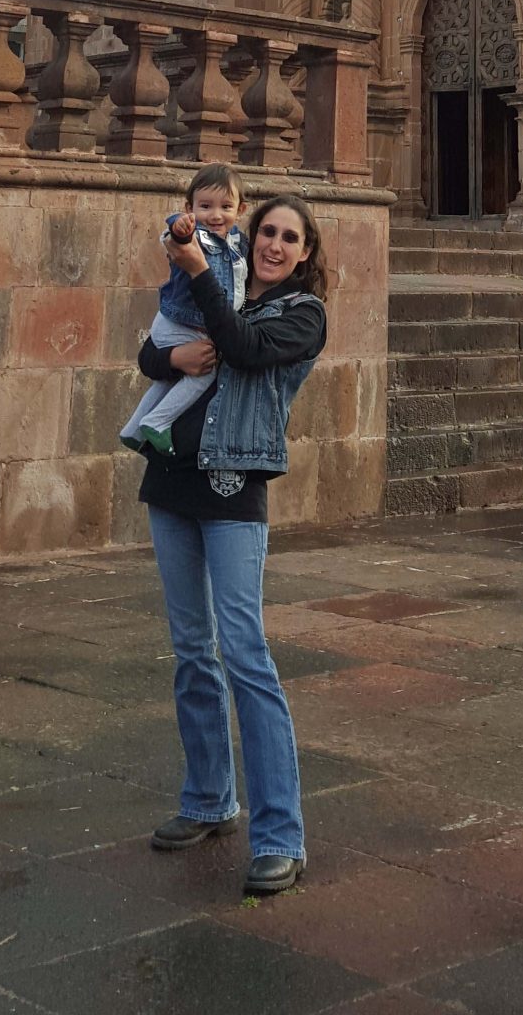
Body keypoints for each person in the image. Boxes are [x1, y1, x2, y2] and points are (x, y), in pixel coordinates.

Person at [138, 193, 328, 898]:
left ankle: (281, 835)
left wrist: (198, 274)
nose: (275, 244)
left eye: (289, 237)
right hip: (170, 483)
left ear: (306, 252)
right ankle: (209, 798)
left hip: (230, 490)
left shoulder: (301, 315)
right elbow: (148, 353)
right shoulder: (226, 287)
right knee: (191, 651)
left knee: (245, 654)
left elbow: (244, 351)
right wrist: (172, 353)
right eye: (266, 233)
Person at [119, 163, 248, 456]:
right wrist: (180, 230)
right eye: (205, 206)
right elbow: (174, 237)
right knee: (203, 373)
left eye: (226, 206)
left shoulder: (237, 243)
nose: (215, 215)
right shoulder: (196, 234)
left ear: (241, 210)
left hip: (184, 324)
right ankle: (158, 421)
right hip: (179, 323)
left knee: (170, 377)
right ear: (190, 207)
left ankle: (134, 428)